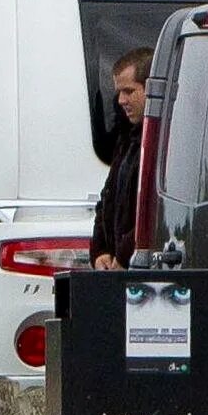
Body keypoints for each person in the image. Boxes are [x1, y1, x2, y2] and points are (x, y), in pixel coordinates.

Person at [90, 45, 152, 269]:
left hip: (141, 268)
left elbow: (155, 211)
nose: (121, 101)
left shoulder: (163, 142)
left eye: (129, 91)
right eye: (119, 93)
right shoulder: (126, 140)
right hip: (119, 267)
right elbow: (106, 200)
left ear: (151, 88)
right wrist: (100, 251)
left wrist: (124, 256)